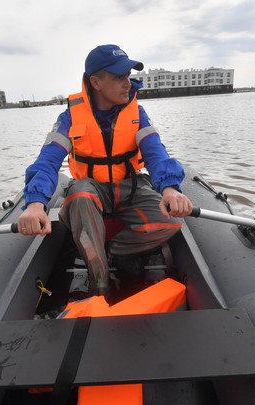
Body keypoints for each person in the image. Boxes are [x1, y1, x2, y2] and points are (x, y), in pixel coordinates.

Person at [17, 44, 193, 297]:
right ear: (96, 82)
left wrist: (169, 187)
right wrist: (35, 203)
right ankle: (99, 284)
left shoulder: (138, 113)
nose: (127, 83)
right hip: (91, 187)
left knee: (171, 223)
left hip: (129, 186)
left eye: (128, 76)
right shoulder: (69, 118)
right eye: (119, 77)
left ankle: (109, 250)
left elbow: (155, 152)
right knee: (79, 196)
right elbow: (47, 161)